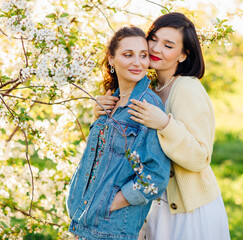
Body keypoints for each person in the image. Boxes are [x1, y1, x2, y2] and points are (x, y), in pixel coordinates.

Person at [93, 13, 230, 240]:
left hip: (187, 211)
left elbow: (200, 157)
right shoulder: (147, 86)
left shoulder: (187, 89)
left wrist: (165, 125)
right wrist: (100, 113)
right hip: (151, 205)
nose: (156, 49)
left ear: (184, 55)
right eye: (153, 39)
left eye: (168, 45)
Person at [66, 26, 171, 240]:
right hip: (83, 222)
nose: (137, 62)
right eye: (128, 55)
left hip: (113, 229)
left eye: (143, 55)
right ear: (111, 59)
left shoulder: (147, 106)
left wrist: (106, 202)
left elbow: (155, 176)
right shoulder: (110, 102)